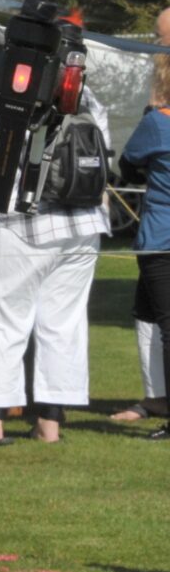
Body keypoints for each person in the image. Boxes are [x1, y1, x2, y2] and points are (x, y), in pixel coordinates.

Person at [0, 80, 111, 445]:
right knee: (63, 325)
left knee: (2, 319)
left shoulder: (11, 94)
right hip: (82, 225)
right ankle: (49, 424)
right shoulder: (88, 94)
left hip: (21, 223)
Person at [115, 52, 170, 438]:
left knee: (168, 325)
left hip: (162, 237)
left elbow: (128, 162)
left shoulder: (156, 123)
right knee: (146, 311)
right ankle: (153, 397)